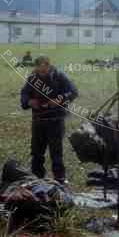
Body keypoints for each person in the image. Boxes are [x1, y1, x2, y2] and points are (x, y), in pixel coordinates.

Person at [20, 55, 78, 184]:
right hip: (38, 119)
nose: (41, 73)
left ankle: (60, 178)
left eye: (44, 70)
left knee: (56, 151)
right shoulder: (32, 78)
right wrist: (29, 101)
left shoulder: (59, 76)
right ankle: (36, 177)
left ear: (48, 65)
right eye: (39, 70)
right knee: (36, 151)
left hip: (55, 119)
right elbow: (24, 93)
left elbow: (73, 91)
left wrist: (59, 100)